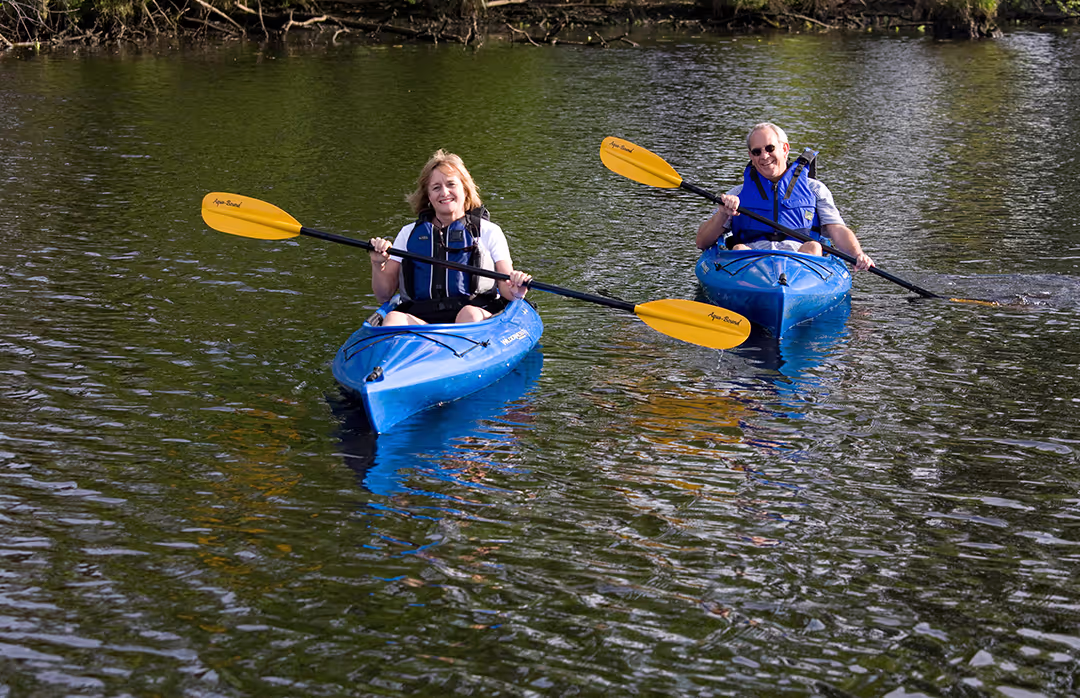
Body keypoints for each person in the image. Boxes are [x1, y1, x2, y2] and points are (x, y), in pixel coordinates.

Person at [368, 150, 532, 326]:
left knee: (468, 315)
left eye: (451, 184)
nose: (444, 193)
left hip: (473, 317)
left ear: (465, 190)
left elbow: (506, 288)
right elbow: (383, 295)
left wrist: (516, 289)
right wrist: (378, 264)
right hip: (420, 318)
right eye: (436, 187)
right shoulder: (408, 234)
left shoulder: (488, 231)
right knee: (393, 319)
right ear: (428, 196)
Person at [696, 123, 874, 271]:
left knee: (814, 247)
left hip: (802, 264)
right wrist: (722, 213)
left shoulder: (815, 190)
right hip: (752, 264)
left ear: (785, 148)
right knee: (739, 248)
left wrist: (857, 255)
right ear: (751, 156)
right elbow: (702, 242)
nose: (764, 156)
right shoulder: (736, 195)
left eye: (770, 148)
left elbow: (837, 230)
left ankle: (788, 290)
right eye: (757, 152)